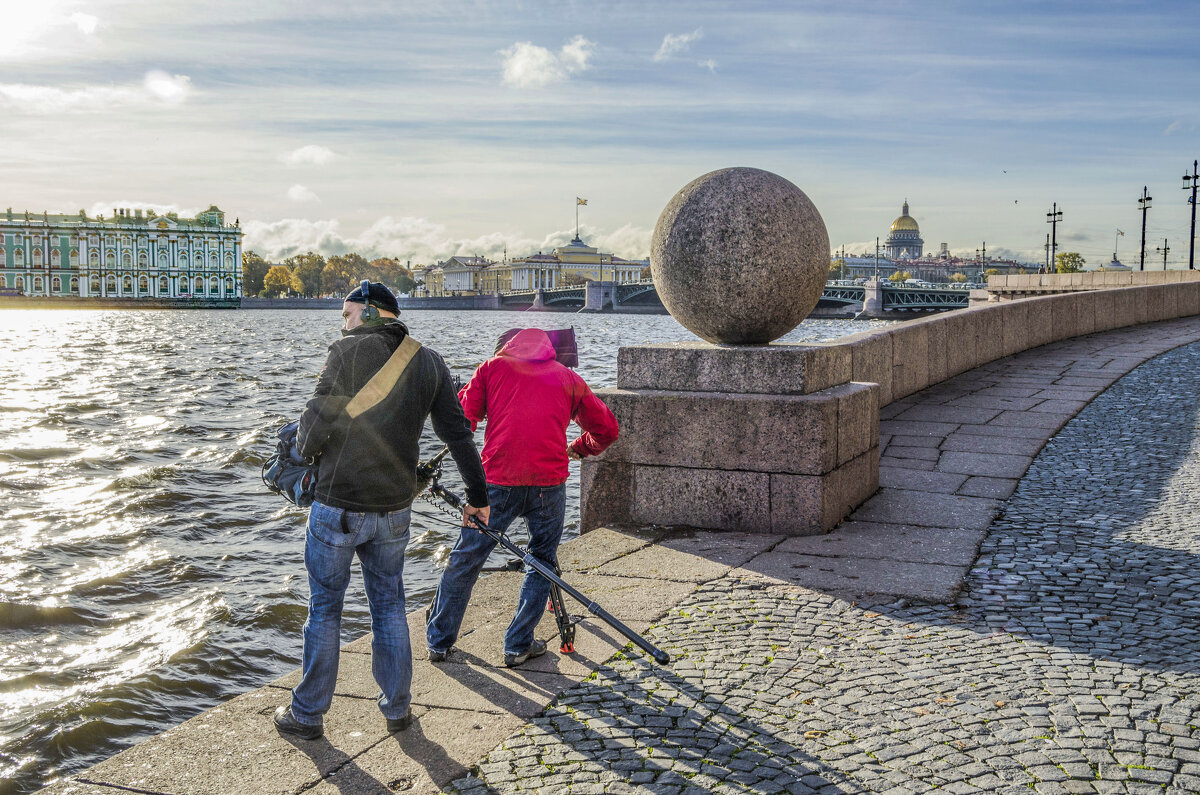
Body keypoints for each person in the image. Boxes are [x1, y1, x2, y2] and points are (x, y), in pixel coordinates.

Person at [273, 281, 489, 741]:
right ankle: (397, 710)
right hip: (394, 510)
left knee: (325, 609)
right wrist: (479, 498)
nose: (344, 323)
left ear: (371, 313)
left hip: (338, 505)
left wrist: (304, 450)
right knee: (389, 606)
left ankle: (307, 715)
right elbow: (459, 436)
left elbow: (314, 424)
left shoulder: (345, 352)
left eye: (348, 314)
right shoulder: (429, 361)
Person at [426, 328, 618, 667]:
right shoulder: (567, 378)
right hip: (549, 483)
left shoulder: (490, 369)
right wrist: (579, 448)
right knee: (541, 560)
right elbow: (607, 429)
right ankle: (518, 645)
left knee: (467, 557)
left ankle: (439, 641)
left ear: (506, 346)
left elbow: (460, 423)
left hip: (497, 482)